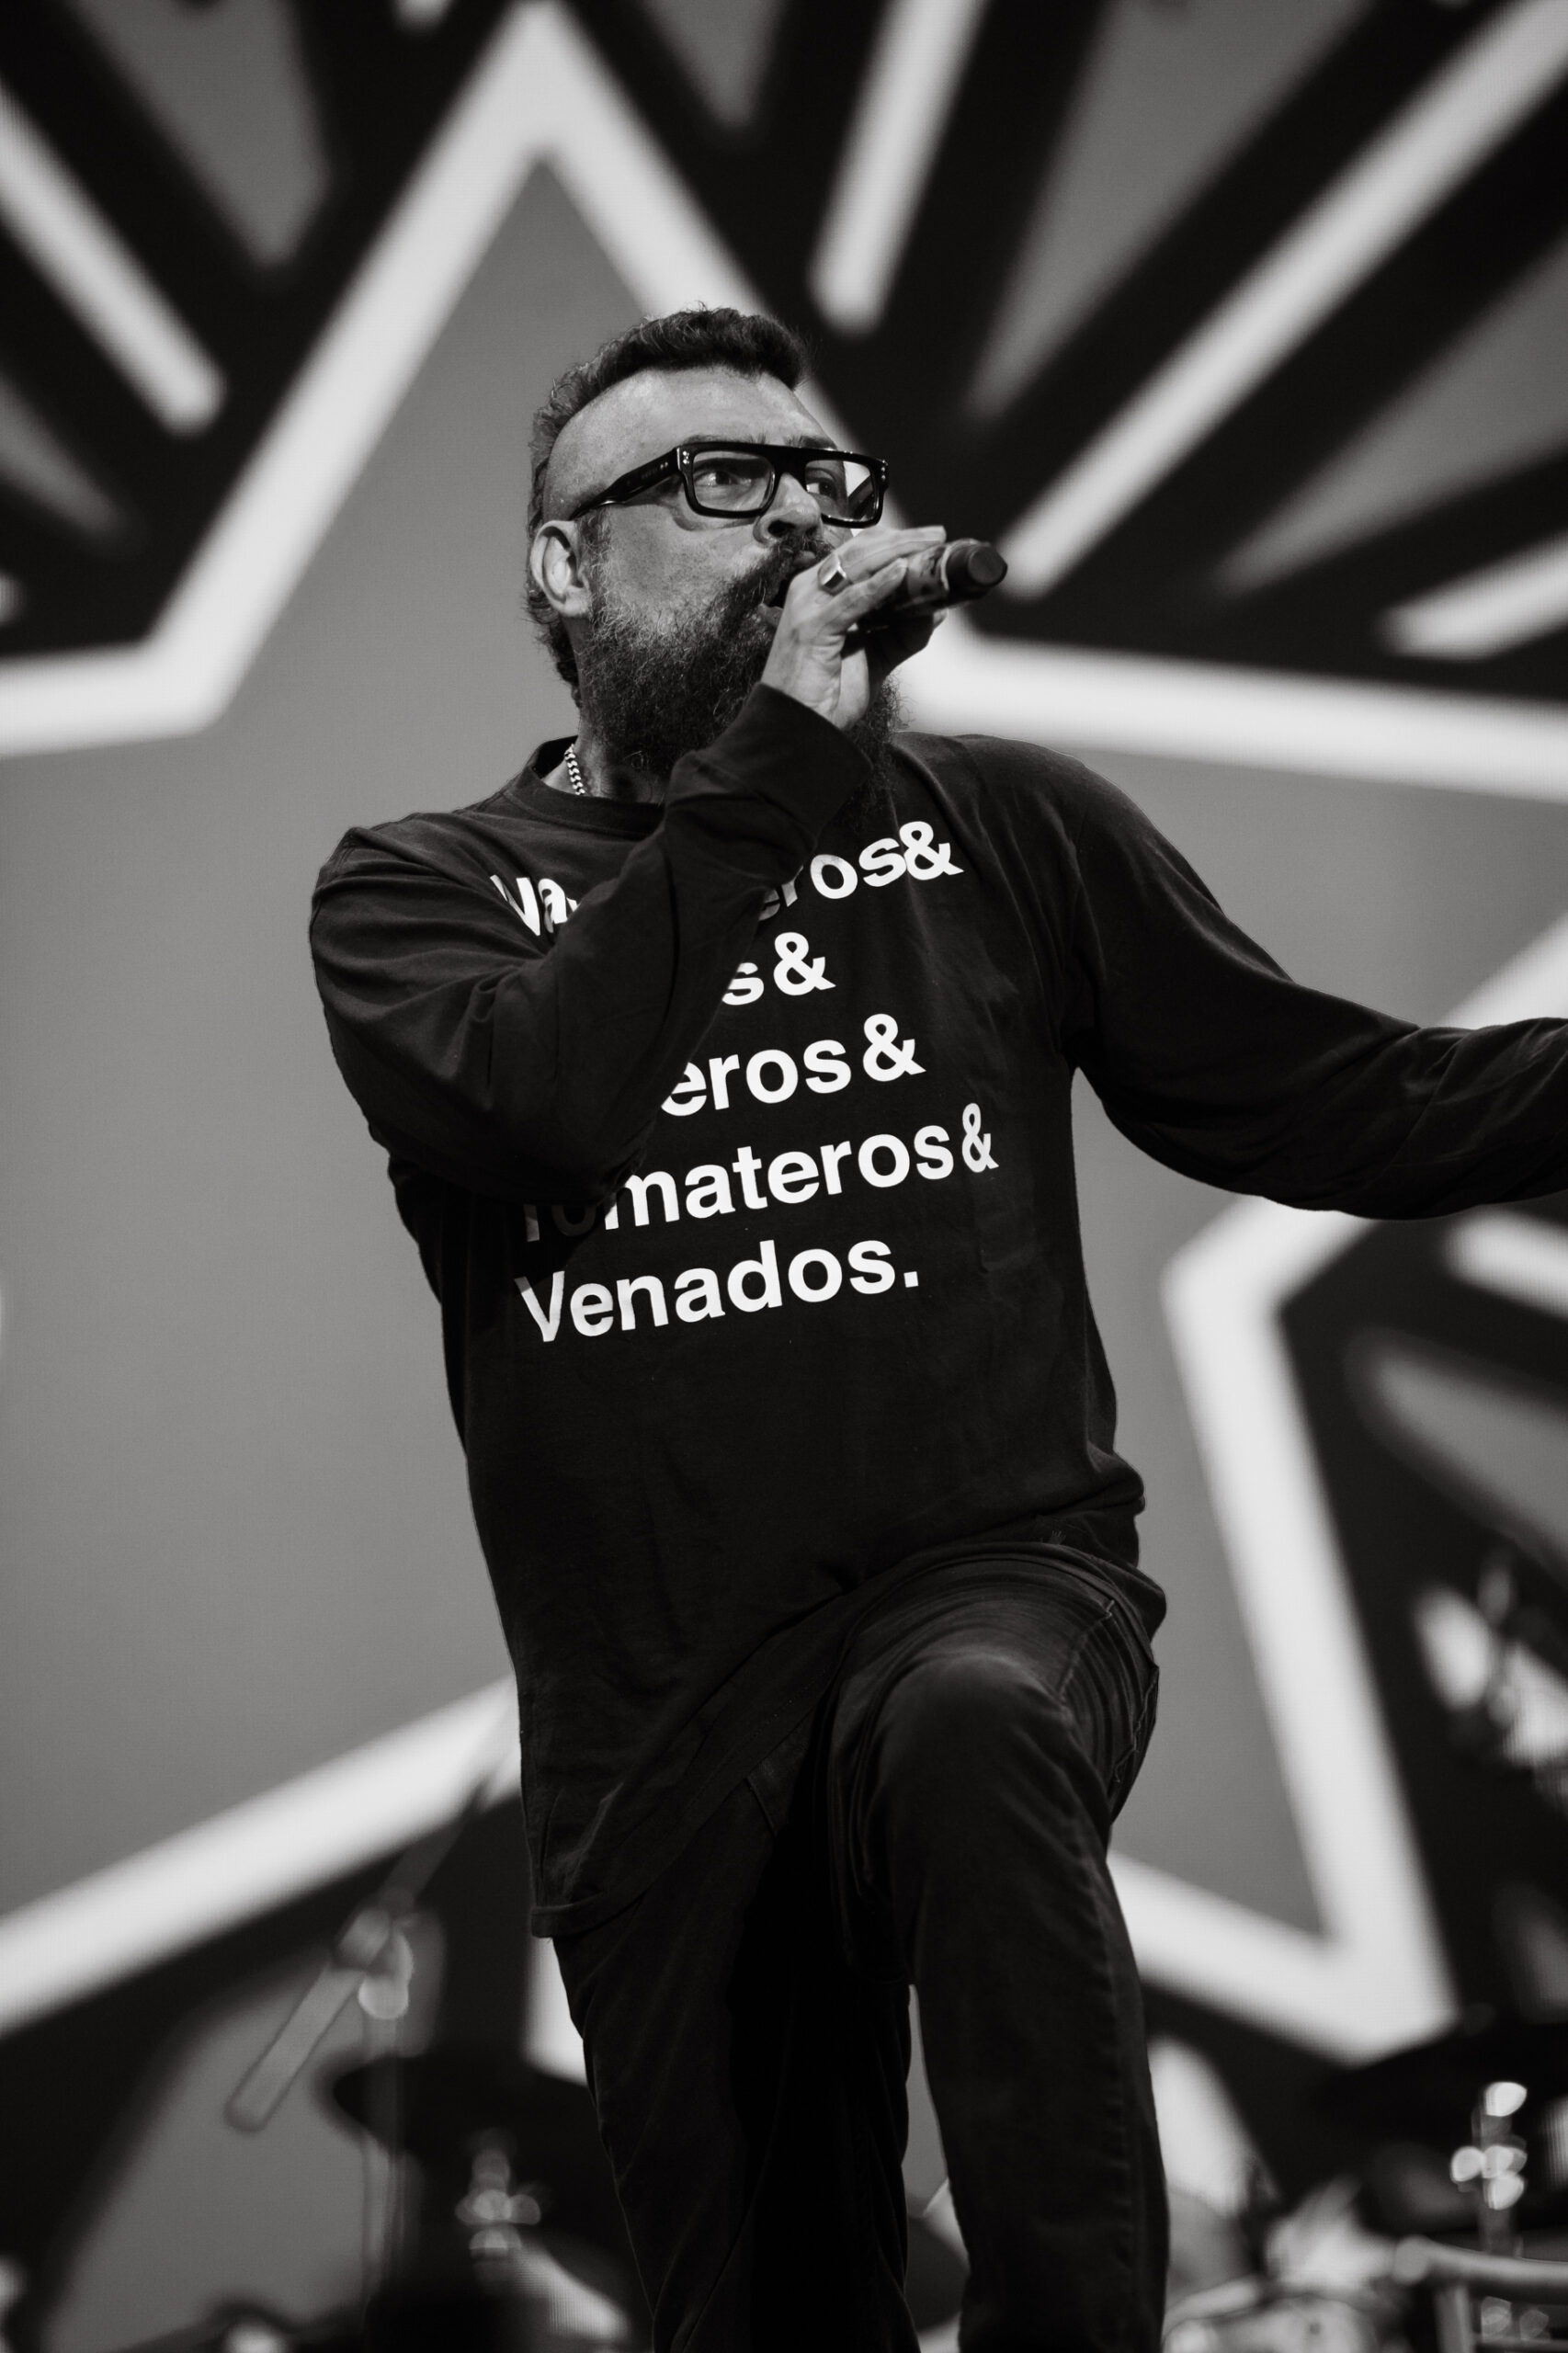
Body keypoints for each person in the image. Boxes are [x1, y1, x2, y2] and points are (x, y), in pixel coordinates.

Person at [310, 308, 1568, 2352]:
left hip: (991, 1579)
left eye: (825, 482)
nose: (798, 522)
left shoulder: (1006, 826)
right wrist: (777, 771)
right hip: (665, 1722)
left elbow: (1345, 1103)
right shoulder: (422, 892)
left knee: (971, 1721)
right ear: (563, 565)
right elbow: (534, 1103)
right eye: (722, 482)